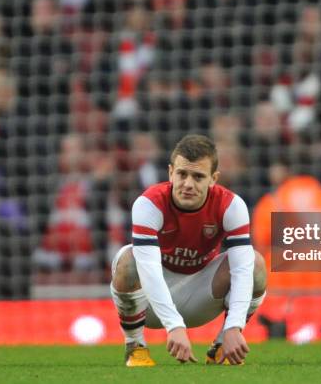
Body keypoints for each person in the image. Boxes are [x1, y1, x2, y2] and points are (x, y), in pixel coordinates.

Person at [110, 134, 267, 367]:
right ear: (171, 172)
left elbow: (243, 270)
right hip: (150, 302)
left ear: (213, 179)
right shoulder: (149, 203)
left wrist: (235, 326)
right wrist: (174, 326)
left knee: (255, 263)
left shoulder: (232, 206)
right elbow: (150, 271)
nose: (188, 184)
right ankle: (135, 347)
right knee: (128, 258)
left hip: (201, 294)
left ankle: (221, 345)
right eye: (182, 174)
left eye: (198, 176)